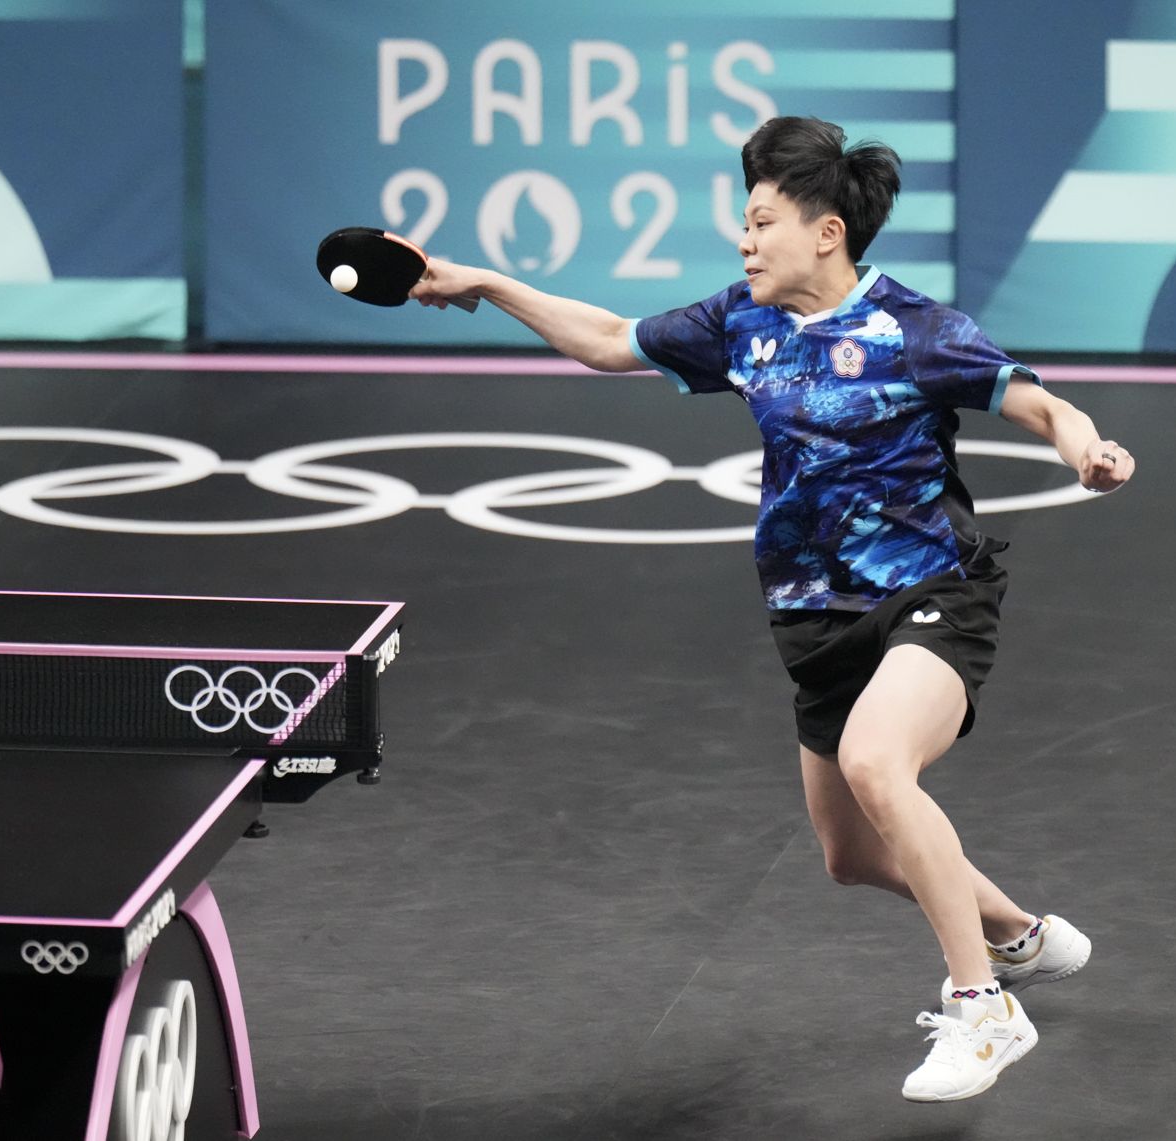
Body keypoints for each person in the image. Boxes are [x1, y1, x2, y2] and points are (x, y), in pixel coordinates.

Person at [410, 115, 1134, 1102]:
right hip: (812, 615)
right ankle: (1015, 935)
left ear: (827, 232)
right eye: (743, 224)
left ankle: (984, 1009)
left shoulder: (913, 330)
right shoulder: (740, 324)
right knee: (850, 854)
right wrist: (488, 284)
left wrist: (1087, 452)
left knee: (877, 762)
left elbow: (1039, 402)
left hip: (930, 591)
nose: (743, 241)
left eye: (760, 222)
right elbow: (610, 340)